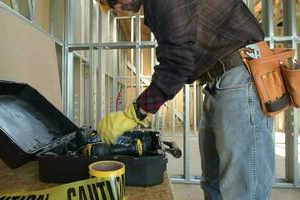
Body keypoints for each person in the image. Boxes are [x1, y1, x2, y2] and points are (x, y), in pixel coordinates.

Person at [96, 0, 275, 199]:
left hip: (239, 77)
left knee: (242, 189)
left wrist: (136, 112)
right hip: (221, 82)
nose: (117, 8)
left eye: (114, 1)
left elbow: (177, 62)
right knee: (214, 184)